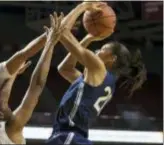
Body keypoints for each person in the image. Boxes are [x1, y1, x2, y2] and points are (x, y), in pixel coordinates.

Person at [46, 1, 147, 145]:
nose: (97, 50)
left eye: (103, 48)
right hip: (74, 137)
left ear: (112, 59)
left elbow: (61, 31)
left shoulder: (99, 68)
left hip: (69, 136)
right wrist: (89, 37)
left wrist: (83, 6)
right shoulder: (103, 82)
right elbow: (65, 69)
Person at [0, 12, 64, 144]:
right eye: (1, 103)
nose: (4, 100)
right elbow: (37, 86)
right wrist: (50, 44)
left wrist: (14, 73)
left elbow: (2, 96)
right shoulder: (12, 129)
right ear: (0, 115)